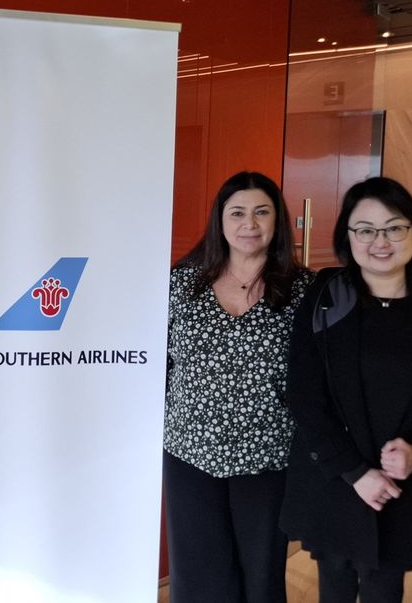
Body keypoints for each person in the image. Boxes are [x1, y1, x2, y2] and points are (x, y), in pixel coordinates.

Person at [280, 176, 412, 603]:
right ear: (347, 237)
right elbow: (304, 395)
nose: (381, 241)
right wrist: (356, 474)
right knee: (335, 584)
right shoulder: (324, 298)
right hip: (335, 475)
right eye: (365, 229)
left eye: (395, 227)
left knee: (384, 588)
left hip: (403, 482)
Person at [163, 171, 312, 603]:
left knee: (261, 573)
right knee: (196, 572)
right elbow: (160, 363)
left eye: (261, 212)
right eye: (238, 212)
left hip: (267, 456)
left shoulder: (303, 289)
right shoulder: (182, 284)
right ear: (221, 221)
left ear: (277, 222)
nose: (250, 223)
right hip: (190, 451)